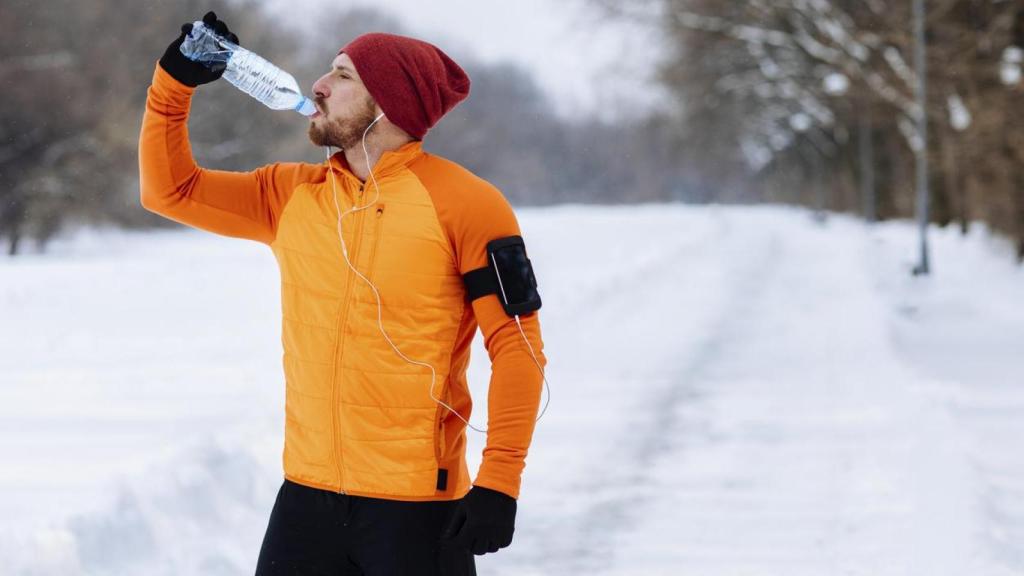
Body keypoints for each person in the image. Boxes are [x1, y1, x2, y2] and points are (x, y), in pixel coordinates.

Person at [139, 11, 547, 576]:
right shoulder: (290, 194)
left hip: (417, 511)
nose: (319, 86)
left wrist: (500, 482)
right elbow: (170, 191)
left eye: (343, 75)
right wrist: (173, 83)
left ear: (390, 103)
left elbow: (518, 350)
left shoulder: (468, 205)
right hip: (307, 503)